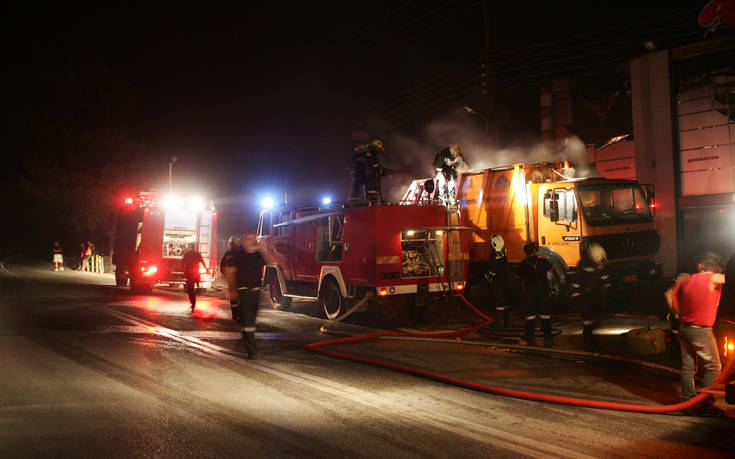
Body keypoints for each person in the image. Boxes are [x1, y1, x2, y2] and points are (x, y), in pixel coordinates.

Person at [664, 252, 725, 412]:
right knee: (714, 367)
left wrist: (677, 314)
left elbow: (669, 294)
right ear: (716, 267)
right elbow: (729, 277)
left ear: (700, 265)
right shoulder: (712, 278)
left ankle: (689, 404)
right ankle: (706, 403)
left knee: (688, 367)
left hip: (684, 329)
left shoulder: (686, 280)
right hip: (701, 331)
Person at [225, 232, 272, 359]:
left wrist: (264, 250)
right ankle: (252, 350)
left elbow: (272, 262)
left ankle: (250, 345)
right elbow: (230, 271)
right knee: (247, 322)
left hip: (256, 292)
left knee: (251, 321)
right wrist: (232, 289)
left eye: (252, 239)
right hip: (244, 291)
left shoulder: (258, 255)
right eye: (247, 239)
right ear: (244, 241)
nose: (249, 241)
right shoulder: (239, 255)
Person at [517, 242, 553, 346]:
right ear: (534, 250)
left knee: (530, 313)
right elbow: (551, 269)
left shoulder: (523, 263)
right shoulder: (542, 261)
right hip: (543, 289)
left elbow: (518, 276)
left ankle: (530, 334)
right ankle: (547, 333)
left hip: (530, 290)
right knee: (545, 311)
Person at [574, 243, 609, 351]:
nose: (599, 259)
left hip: (595, 295)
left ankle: (590, 339)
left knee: (592, 318)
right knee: (587, 319)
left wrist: (606, 288)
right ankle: (587, 340)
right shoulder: (584, 264)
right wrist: (576, 294)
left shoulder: (599, 265)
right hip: (586, 296)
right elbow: (577, 281)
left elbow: (604, 278)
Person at [486, 235, 511, 328]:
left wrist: (488, 277)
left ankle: (500, 322)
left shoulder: (493, 255)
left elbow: (494, 269)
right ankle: (506, 321)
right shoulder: (504, 253)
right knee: (506, 301)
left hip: (498, 282)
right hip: (506, 280)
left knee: (499, 301)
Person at [220, 234, 244, 321]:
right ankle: (239, 315)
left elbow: (222, 266)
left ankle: (236, 314)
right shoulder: (242, 253)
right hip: (239, 280)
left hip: (235, 280)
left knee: (235, 299)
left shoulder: (229, 253)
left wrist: (226, 275)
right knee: (238, 298)